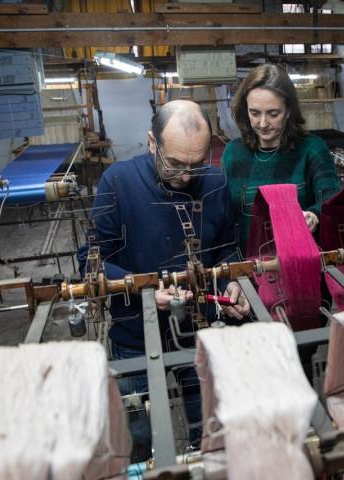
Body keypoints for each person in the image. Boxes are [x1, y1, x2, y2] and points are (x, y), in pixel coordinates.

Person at [79, 99, 250, 459]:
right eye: (175, 163)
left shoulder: (216, 181)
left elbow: (227, 251)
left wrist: (233, 284)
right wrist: (144, 288)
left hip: (199, 333)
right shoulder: (118, 182)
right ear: (151, 142)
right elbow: (91, 262)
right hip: (134, 339)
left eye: (196, 164)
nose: (187, 176)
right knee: (138, 443)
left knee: (209, 434)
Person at [222, 64, 340, 249]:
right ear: (246, 110)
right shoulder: (233, 153)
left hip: (301, 262)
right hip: (250, 265)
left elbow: (332, 199)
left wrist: (314, 215)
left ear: (289, 111)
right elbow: (226, 215)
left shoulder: (312, 149)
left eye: (273, 114)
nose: (263, 123)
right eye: (255, 113)